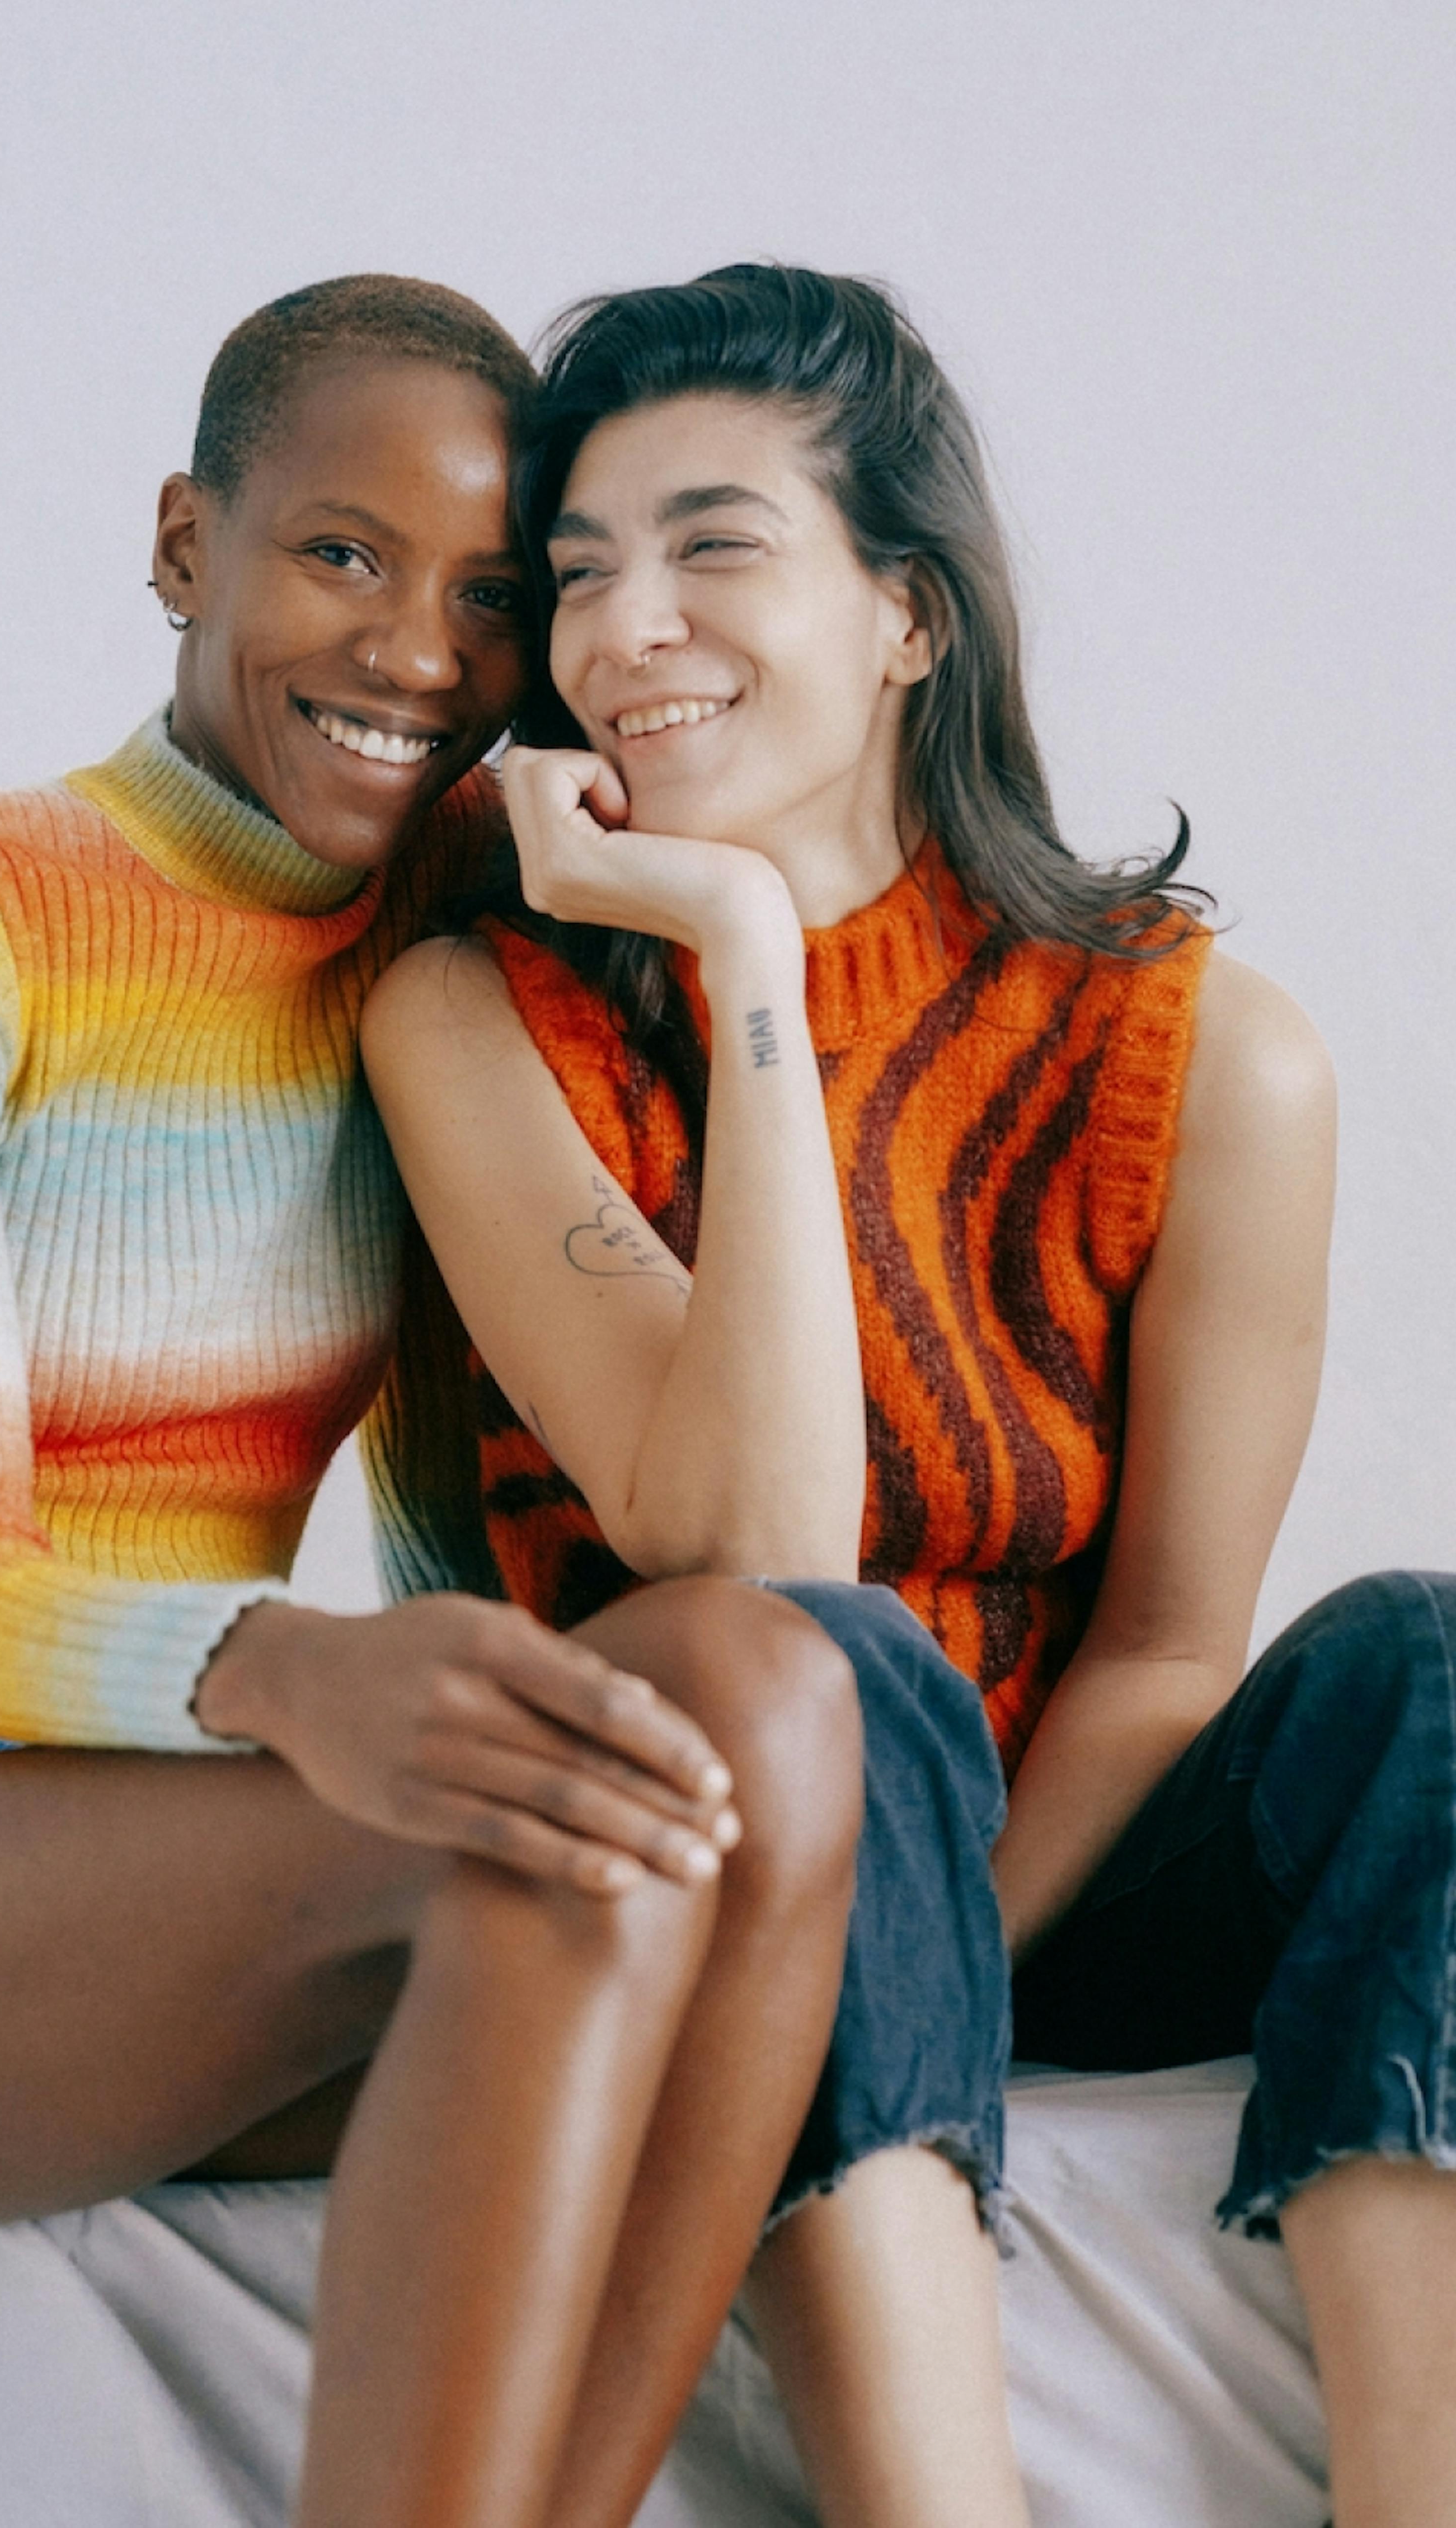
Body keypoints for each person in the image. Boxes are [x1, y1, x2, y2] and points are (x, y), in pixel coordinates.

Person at [0, 275, 870, 2528]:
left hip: (201, 1822)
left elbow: (448, 1494)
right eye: (338, 554)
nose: (416, 657)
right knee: (554, 1831)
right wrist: (299, 1673)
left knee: (756, 1692)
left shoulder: (433, 956)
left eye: (484, 595)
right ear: (189, 542)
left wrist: (486, 1685)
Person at [363, 261, 1456, 2528]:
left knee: (1439, 1658)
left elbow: (1166, 1642)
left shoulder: (1205, 1053)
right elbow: (745, 1550)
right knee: (827, 1666)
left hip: (1036, 1865)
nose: (622, 626)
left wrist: (957, 1937)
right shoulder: (477, 1014)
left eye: (715, 542)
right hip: (718, 1836)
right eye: (578, 575)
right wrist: (744, 954)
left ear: (911, 616)